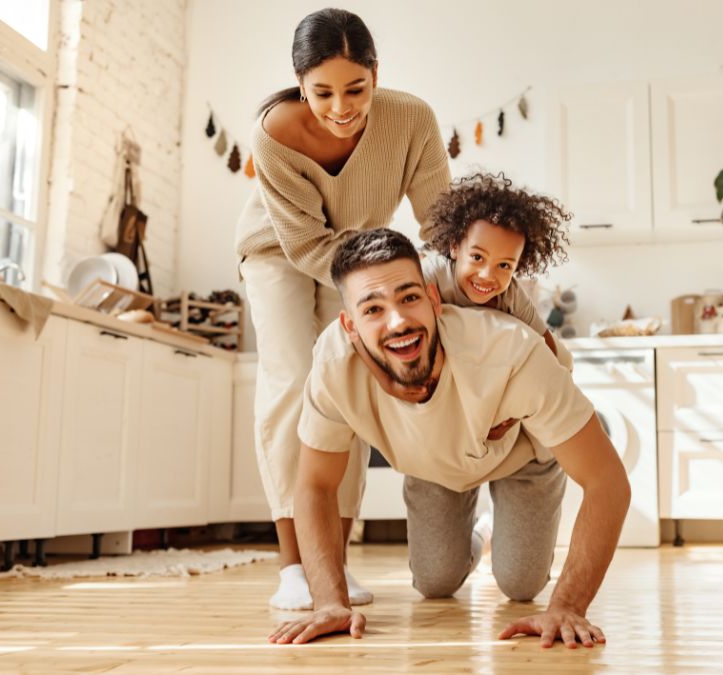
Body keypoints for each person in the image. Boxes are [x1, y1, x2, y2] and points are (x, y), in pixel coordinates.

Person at [268, 229, 631, 647]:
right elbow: (315, 484)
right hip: (432, 463)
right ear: (349, 325)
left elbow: (608, 483)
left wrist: (568, 604)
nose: (398, 321)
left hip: (519, 455)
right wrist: (329, 602)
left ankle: (500, 524)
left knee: (520, 583)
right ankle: (483, 532)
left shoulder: (512, 353)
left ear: (433, 299)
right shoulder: (333, 366)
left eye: (409, 298)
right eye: (372, 309)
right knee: (434, 582)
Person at [235, 8, 451, 610]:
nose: (341, 107)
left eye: (356, 89)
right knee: (290, 380)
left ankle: (334, 556)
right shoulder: (274, 132)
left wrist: (469, 276)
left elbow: (440, 222)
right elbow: (303, 244)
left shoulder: (413, 120)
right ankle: (292, 567)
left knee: (345, 386)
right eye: (323, 91)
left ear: (376, 76)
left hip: (356, 257)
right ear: (300, 83)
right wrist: (377, 281)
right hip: (278, 250)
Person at [359, 172, 573, 404]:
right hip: (435, 371)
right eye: (477, 257)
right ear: (454, 247)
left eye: (504, 265)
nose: (487, 276)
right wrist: (388, 383)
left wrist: (519, 409)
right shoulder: (430, 276)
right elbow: (375, 328)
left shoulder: (511, 293)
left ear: (518, 265)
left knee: (565, 361)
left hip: (483, 375)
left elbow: (547, 350)